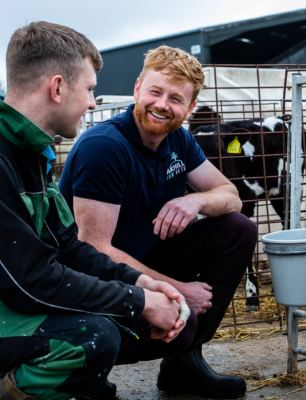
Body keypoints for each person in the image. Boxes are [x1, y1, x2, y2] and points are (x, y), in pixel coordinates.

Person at [0, 22, 199, 400]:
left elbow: (69, 248)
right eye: (90, 89)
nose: (94, 102)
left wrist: (142, 284)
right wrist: (139, 302)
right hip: (10, 300)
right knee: (92, 336)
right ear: (57, 88)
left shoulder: (32, 153)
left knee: (110, 326)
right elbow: (29, 281)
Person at [59, 45, 258, 398]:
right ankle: (82, 365)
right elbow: (93, 250)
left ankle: (184, 365)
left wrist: (195, 199)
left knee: (238, 228)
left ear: (190, 107)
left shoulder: (178, 138)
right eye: (155, 91)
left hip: (146, 257)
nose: (163, 104)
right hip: (91, 280)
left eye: (176, 98)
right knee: (184, 321)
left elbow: (231, 196)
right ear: (137, 89)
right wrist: (177, 289)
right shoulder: (105, 147)